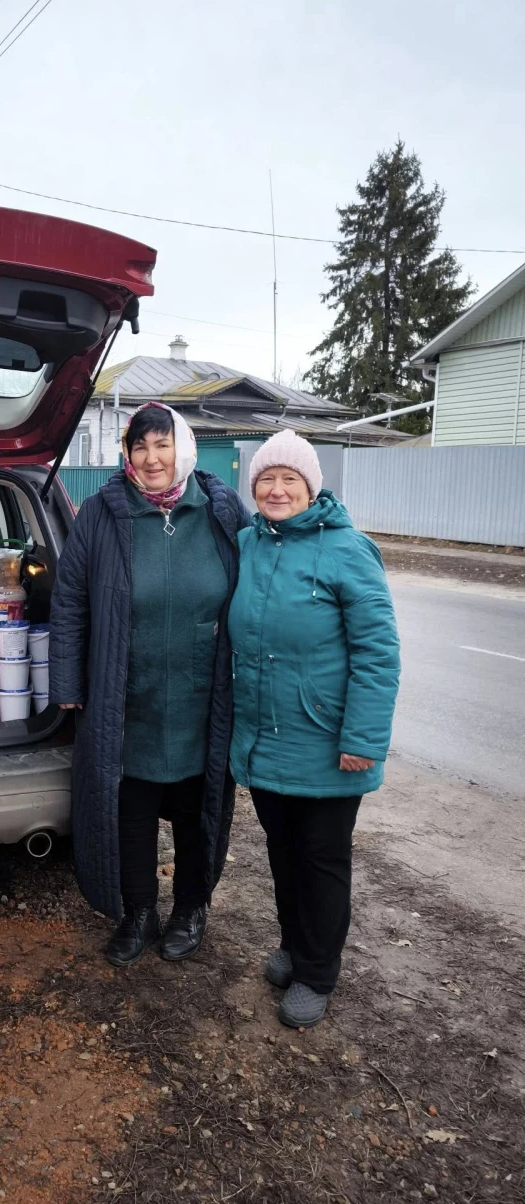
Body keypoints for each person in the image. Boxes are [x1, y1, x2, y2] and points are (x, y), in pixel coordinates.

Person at [49, 402, 250, 966]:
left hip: (200, 694)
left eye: (162, 445)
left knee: (196, 812)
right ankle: (138, 911)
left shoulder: (220, 509)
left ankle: (190, 909)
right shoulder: (100, 514)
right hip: (125, 694)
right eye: (140, 447)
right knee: (128, 813)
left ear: (181, 448)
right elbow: (69, 603)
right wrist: (67, 679)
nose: (152, 457)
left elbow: (256, 588)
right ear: (127, 455)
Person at [228, 431, 400, 1028]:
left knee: (322, 858)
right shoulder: (248, 543)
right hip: (265, 735)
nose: (276, 490)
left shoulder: (350, 550)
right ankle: (294, 945)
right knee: (282, 852)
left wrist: (362, 739)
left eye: (289, 480)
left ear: (311, 488)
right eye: (266, 480)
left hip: (328, 741)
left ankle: (318, 972)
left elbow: (378, 653)